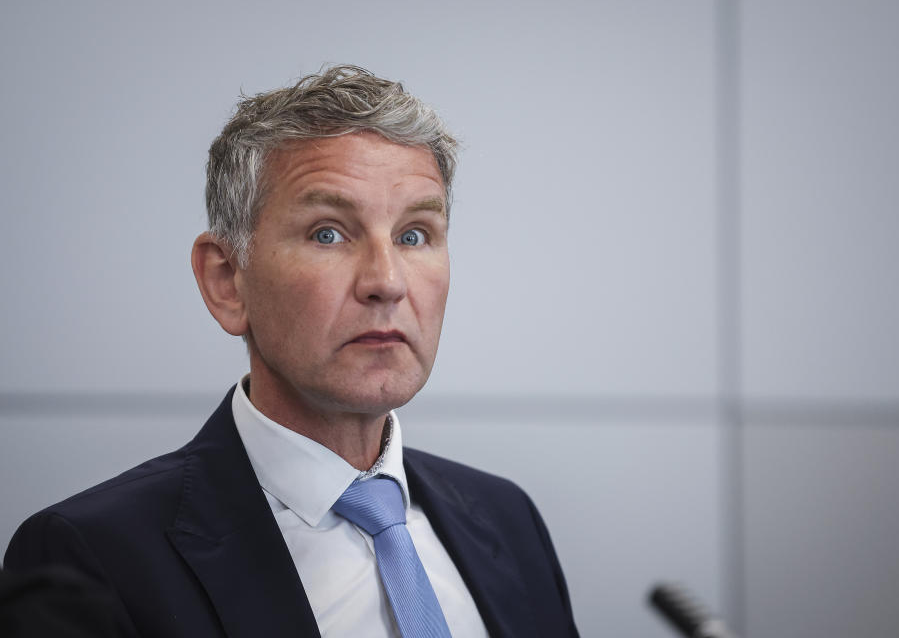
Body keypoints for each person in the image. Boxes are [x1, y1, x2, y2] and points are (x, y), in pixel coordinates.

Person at [3, 65, 578, 638]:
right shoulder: (91, 557)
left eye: (414, 235)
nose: (387, 281)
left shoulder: (507, 518)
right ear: (227, 279)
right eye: (328, 233)